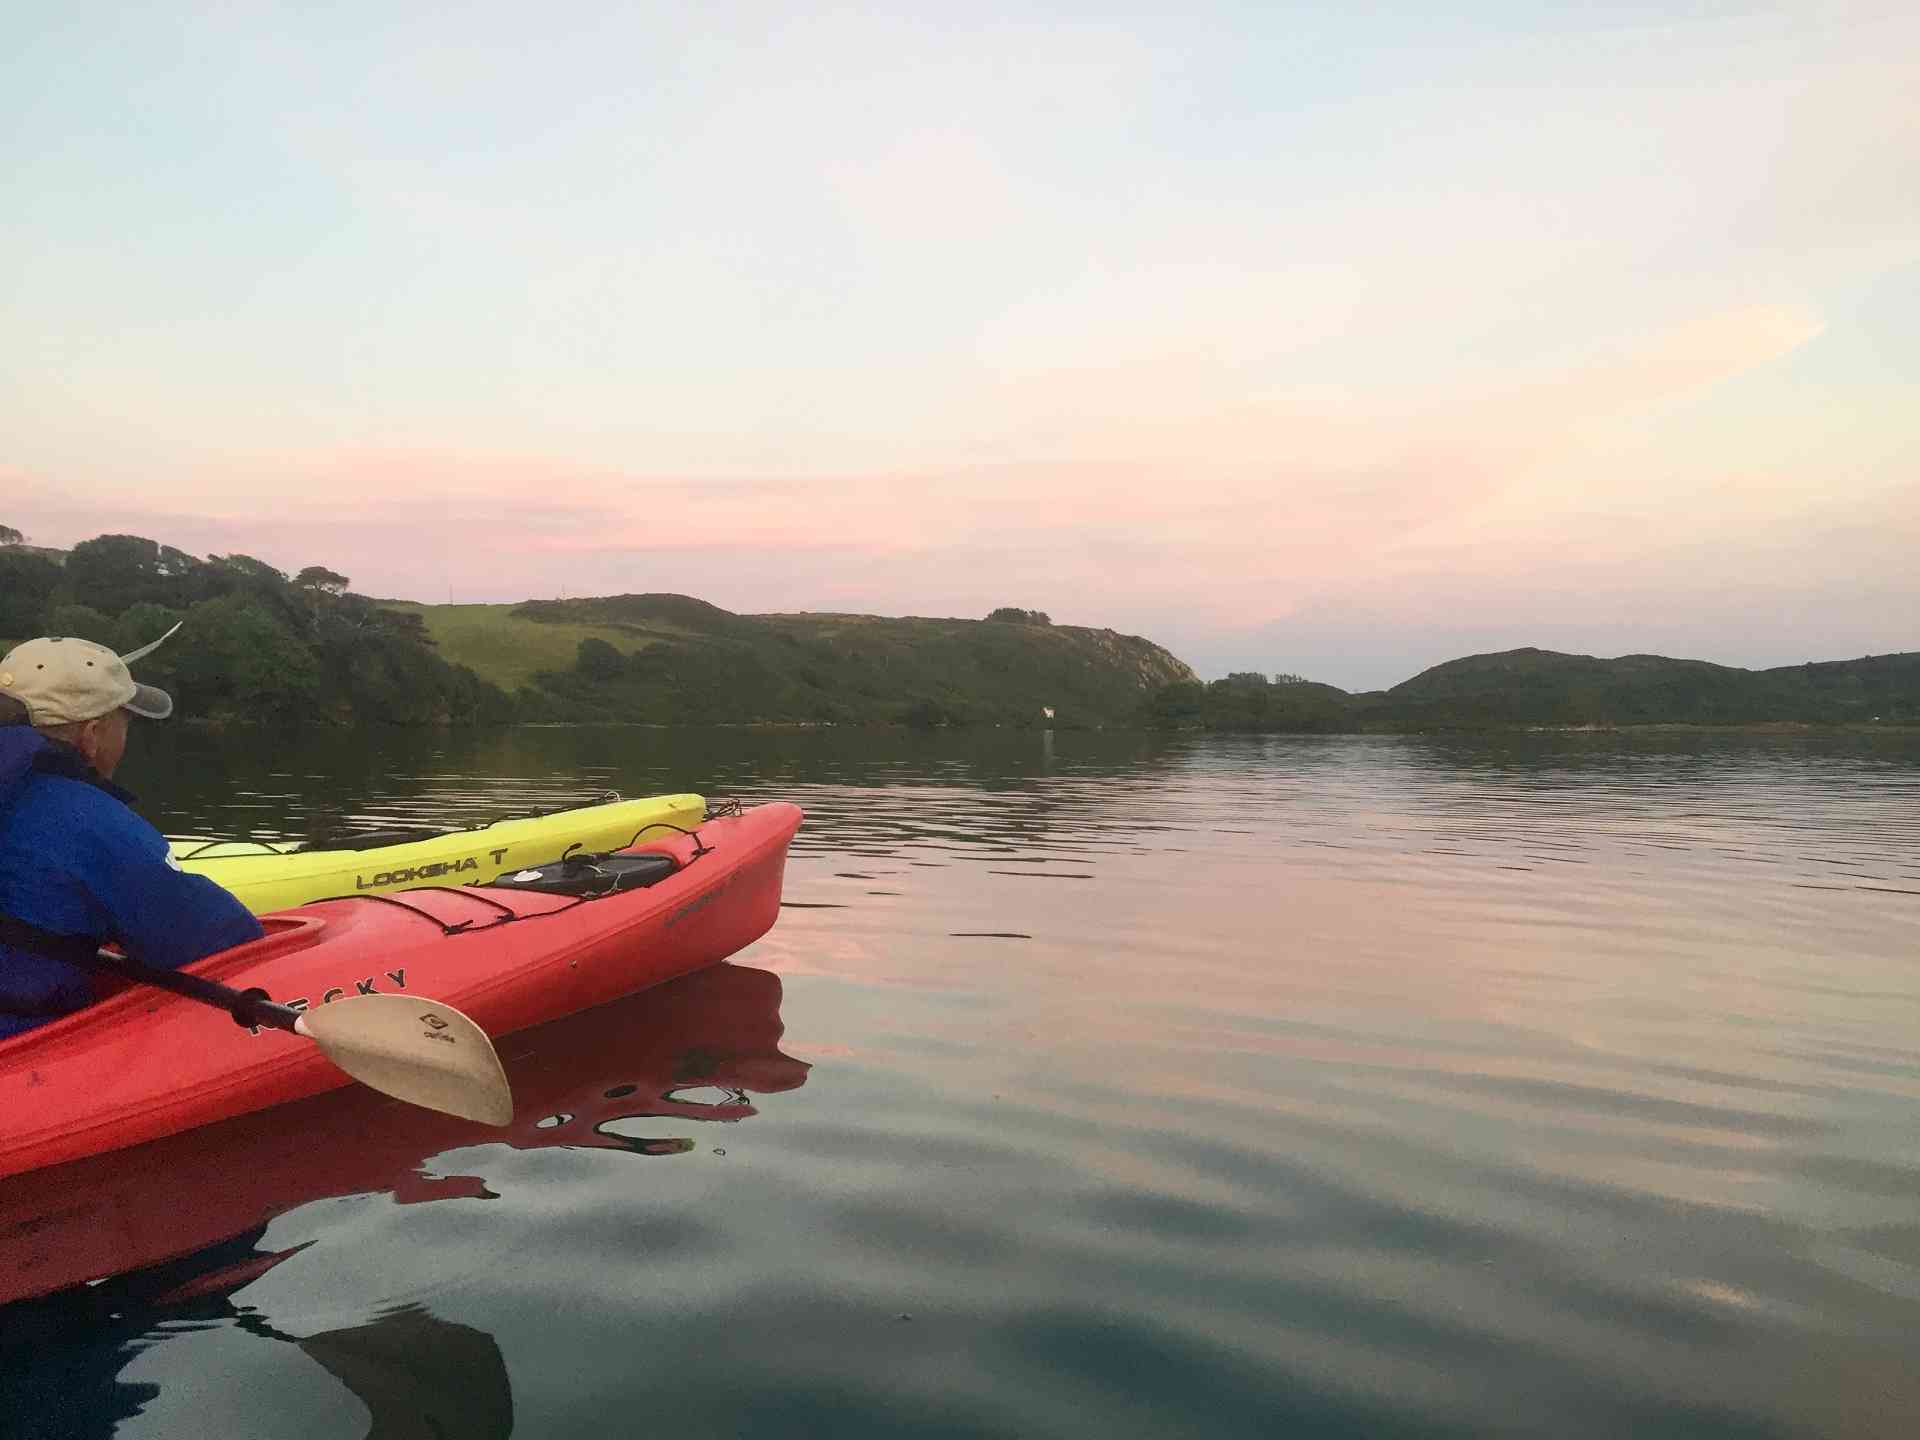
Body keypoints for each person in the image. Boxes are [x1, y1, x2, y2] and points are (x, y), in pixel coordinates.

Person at [0, 633, 263, 1040]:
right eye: (124, 721)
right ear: (92, 734)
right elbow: (221, 941)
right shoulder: (89, 821)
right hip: (20, 1051)